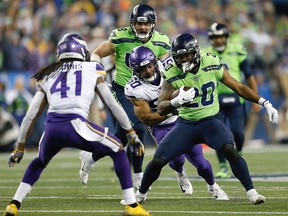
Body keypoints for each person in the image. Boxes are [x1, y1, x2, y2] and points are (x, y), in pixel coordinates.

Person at [4, 33, 150, 216]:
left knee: (40, 161)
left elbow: (30, 115)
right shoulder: (92, 69)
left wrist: (19, 148)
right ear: (82, 51)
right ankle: (132, 206)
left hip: (51, 128)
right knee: (118, 149)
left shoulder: (48, 74)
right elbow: (112, 104)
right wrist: (130, 132)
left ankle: (14, 204)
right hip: (75, 125)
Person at [135, 33, 278, 205]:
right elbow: (161, 106)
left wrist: (264, 102)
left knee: (229, 149)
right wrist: (175, 101)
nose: (183, 60)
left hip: (211, 121)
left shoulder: (210, 62)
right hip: (186, 124)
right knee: (158, 159)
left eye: (186, 55)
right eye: (179, 56)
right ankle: (140, 195)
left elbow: (238, 87)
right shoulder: (172, 70)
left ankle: (252, 192)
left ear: (195, 52)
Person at [79, 4, 171, 189]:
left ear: (153, 24)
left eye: (147, 24)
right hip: (122, 91)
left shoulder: (162, 41)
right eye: (139, 23)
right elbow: (96, 53)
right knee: (138, 127)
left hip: (146, 91)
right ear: (132, 23)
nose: (143, 27)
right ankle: (138, 175)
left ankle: (91, 156)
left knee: (120, 139)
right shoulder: (121, 36)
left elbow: (168, 69)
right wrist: (98, 70)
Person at [123, 45, 228, 201]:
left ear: (155, 61)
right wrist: (174, 106)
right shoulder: (134, 88)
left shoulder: (170, 66)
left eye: (150, 66)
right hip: (160, 126)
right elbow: (147, 118)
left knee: (201, 163)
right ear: (135, 71)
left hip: (185, 120)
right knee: (177, 159)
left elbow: (192, 67)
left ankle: (213, 186)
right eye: (142, 69)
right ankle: (180, 173)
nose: (148, 71)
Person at [204, 23, 261, 178]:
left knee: (238, 132)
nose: (219, 40)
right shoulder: (206, 54)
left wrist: (255, 98)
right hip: (215, 100)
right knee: (219, 135)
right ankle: (223, 166)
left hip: (236, 97)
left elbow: (249, 74)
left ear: (226, 37)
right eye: (216, 37)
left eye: (222, 36)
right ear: (211, 38)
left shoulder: (237, 50)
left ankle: (238, 156)